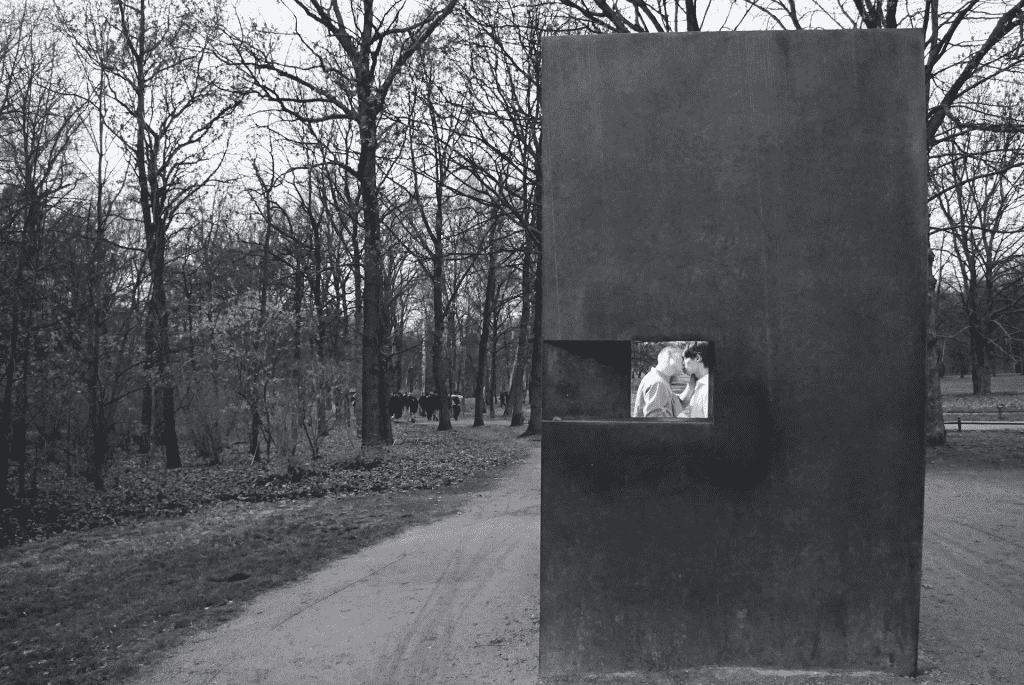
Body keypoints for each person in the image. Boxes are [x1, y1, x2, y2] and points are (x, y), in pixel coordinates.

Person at [632, 346, 686, 417]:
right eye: (681, 357)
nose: (684, 362)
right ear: (668, 357)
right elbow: (655, 422)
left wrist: (691, 385)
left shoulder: (659, 379)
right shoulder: (658, 383)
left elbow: (676, 403)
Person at [680, 341, 713, 419]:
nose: (682, 363)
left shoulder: (708, 388)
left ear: (697, 358)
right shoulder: (696, 385)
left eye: (684, 358)